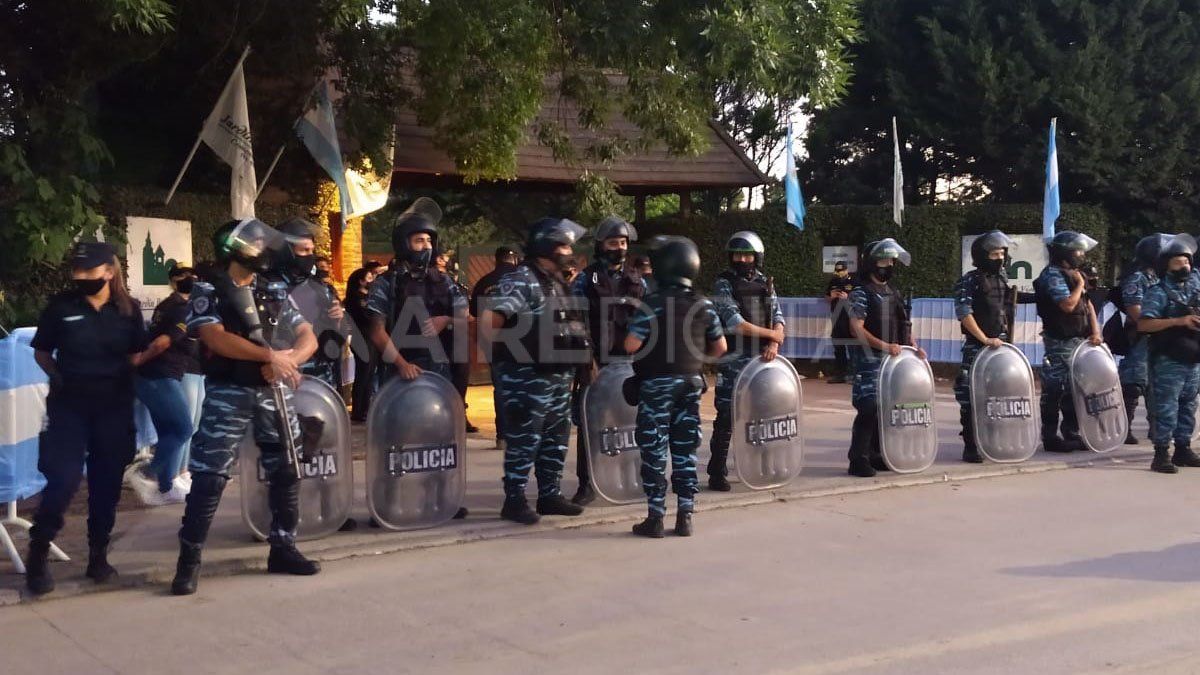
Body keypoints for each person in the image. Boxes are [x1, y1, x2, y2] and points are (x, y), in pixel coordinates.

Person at [171, 219, 321, 596]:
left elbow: (307, 336)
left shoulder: (272, 288)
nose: (265, 248)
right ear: (238, 248)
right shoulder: (210, 289)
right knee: (210, 476)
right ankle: (189, 561)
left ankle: (283, 547)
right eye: (256, 242)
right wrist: (269, 355)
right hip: (229, 392)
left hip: (274, 392)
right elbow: (215, 339)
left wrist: (288, 361)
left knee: (287, 468)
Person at [24, 242, 147, 595]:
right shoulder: (61, 307)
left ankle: (98, 555)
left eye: (89, 272)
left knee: (107, 484)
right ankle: (39, 551)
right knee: (62, 480)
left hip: (113, 405)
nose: (81, 277)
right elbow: (41, 351)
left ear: (109, 272)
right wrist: (59, 375)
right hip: (69, 405)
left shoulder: (128, 310)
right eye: (76, 271)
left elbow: (137, 351)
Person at [482, 217, 591, 524]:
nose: (570, 251)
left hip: (558, 375)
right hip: (527, 377)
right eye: (564, 245)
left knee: (556, 437)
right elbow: (492, 322)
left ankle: (549, 495)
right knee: (524, 438)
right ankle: (514, 499)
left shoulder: (556, 281)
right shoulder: (521, 279)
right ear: (547, 246)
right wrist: (507, 363)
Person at [623, 236, 726, 537]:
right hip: (691, 383)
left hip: (656, 384)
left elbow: (631, 344)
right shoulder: (703, 304)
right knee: (685, 449)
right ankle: (686, 515)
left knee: (655, 450)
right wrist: (694, 359)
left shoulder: (651, 303)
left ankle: (655, 518)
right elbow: (720, 348)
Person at [569, 216, 646, 505]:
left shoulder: (637, 281)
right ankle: (586, 485)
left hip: (629, 364)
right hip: (596, 362)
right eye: (613, 242)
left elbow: (649, 320)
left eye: (623, 242)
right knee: (591, 422)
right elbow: (575, 321)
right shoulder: (585, 280)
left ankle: (631, 477)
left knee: (631, 423)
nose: (619, 248)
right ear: (601, 245)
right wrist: (586, 359)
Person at [708, 231, 786, 491]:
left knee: (764, 413)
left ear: (757, 256)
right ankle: (717, 470)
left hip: (763, 358)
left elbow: (778, 316)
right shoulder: (724, 283)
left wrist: (774, 342)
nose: (742, 260)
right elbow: (735, 323)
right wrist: (772, 335)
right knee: (727, 415)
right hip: (734, 358)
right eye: (737, 255)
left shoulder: (766, 282)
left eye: (747, 255)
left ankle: (764, 466)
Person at [846, 239, 927, 477]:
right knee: (868, 406)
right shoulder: (861, 292)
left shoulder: (893, 291)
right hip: (869, 360)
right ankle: (857, 458)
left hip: (893, 361)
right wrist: (884, 346)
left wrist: (914, 347)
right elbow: (856, 329)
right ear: (872, 263)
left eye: (891, 261)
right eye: (883, 260)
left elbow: (902, 324)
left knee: (886, 408)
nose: (888, 265)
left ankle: (876, 454)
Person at [365, 198, 465, 384]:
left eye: (429, 241)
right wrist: (402, 365)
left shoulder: (444, 281)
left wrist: (447, 320)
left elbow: (467, 317)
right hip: (399, 374)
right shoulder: (387, 283)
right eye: (419, 240)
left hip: (439, 374)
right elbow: (377, 332)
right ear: (404, 243)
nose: (426, 246)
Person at [129, 263, 202, 505]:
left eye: (192, 275)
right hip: (159, 374)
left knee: (168, 431)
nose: (190, 278)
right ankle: (147, 474)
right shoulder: (181, 308)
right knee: (182, 429)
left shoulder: (168, 306)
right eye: (183, 276)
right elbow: (162, 342)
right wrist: (140, 359)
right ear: (173, 281)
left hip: (156, 375)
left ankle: (165, 486)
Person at [1033, 231, 1104, 453]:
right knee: (1056, 388)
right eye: (1078, 251)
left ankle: (1072, 432)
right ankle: (1050, 436)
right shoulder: (1053, 275)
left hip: (1079, 341)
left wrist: (1095, 331)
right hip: (1059, 342)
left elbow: (1087, 305)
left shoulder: (1073, 274)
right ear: (1065, 253)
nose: (1082, 255)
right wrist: (1079, 284)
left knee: (1077, 389)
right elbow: (1067, 305)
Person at [952, 231, 1017, 463]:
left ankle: (991, 441)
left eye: (1002, 253)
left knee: (996, 395)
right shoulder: (969, 280)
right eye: (994, 253)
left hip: (1000, 345)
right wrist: (984, 339)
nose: (999, 257)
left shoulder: (1001, 278)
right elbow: (965, 314)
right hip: (977, 347)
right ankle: (971, 445)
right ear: (982, 256)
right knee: (970, 395)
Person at [1137, 234, 1200, 474]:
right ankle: (1161, 453)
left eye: (1187, 261)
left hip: (1192, 357)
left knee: (1188, 405)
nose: (1185, 266)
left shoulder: (1195, 286)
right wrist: (1179, 321)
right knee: (1166, 408)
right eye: (1178, 262)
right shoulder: (1159, 292)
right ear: (1166, 266)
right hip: (1168, 360)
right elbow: (1144, 325)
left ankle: (1183, 449)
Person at [269, 218, 345, 389]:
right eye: (304, 250)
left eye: (312, 250)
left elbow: (334, 340)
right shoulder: (265, 287)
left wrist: (338, 320)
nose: (310, 256)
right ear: (285, 251)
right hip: (281, 377)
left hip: (320, 376)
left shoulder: (319, 288)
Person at [1114, 234, 1165, 444]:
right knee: (1134, 384)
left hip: (1158, 339)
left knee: (1156, 385)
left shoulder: (1158, 278)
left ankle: (1157, 429)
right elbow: (1135, 312)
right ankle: (1124, 429)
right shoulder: (1137, 278)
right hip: (1141, 339)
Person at [471, 246, 520, 451]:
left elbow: (474, 311)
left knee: (500, 387)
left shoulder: (484, 282)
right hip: (521, 340)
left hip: (492, 340)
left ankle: (503, 437)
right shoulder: (522, 280)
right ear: (514, 259)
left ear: (496, 259)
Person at [437, 250, 478, 432]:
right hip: (437, 341)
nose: (446, 260)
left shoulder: (455, 286)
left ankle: (460, 418)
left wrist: (450, 319)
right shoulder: (423, 286)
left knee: (460, 382)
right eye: (443, 257)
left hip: (457, 339)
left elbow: (468, 316)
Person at [344, 265, 380, 422]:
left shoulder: (371, 296)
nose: (372, 280)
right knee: (363, 374)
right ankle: (358, 410)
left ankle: (366, 408)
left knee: (370, 373)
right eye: (369, 277)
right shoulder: (355, 298)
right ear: (361, 281)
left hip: (371, 338)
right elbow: (366, 316)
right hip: (361, 338)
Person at [825, 260, 856, 383]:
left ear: (846, 270)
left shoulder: (853, 281)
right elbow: (826, 297)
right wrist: (831, 297)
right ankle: (840, 375)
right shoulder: (833, 281)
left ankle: (854, 374)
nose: (839, 273)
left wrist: (848, 297)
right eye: (837, 271)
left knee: (853, 347)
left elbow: (860, 297)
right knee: (838, 347)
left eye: (841, 271)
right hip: (837, 318)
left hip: (850, 318)